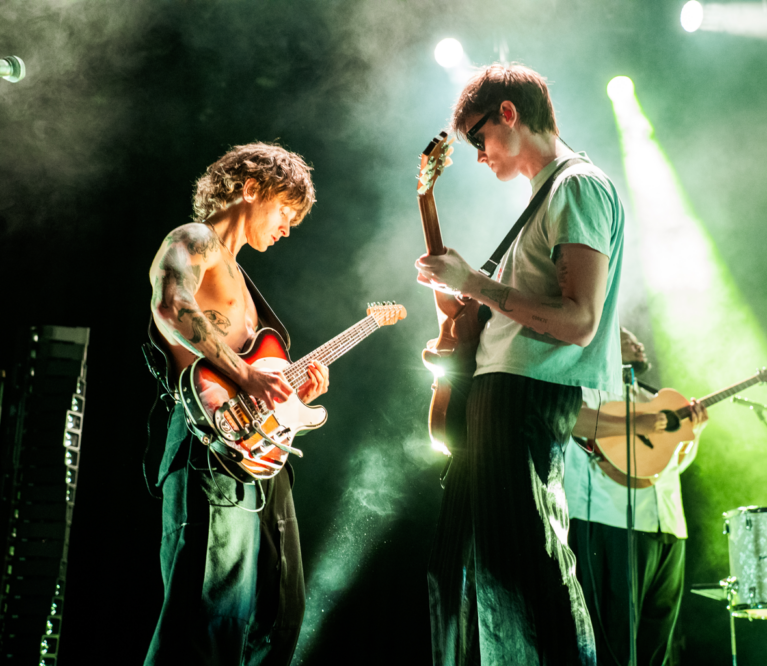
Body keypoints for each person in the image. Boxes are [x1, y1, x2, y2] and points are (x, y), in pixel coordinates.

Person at [415, 63, 625, 665]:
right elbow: (492, 314)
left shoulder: (576, 186)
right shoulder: (546, 195)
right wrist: (464, 298)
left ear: (508, 113)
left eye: (478, 138)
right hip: (501, 393)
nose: (479, 155)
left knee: (530, 574)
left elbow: (579, 319)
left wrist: (477, 285)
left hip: (527, 395)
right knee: (477, 580)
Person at [145, 142, 329, 665]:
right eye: (285, 211)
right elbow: (171, 304)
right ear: (251, 188)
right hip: (206, 453)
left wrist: (288, 396)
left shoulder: (246, 284)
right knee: (206, 618)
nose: (288, 227)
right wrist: (247, 374)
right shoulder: (194, 239)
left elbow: (247, 375)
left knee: (277, 613)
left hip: (255, 457)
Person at [565, 327, 708, 666]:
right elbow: (570, 419)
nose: (638, 343)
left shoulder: (653, 398)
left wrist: (692, 436)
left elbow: (670, 465)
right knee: (614, 644)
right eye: (627, 337)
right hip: (611, 520)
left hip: (669, 526)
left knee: (656, 646)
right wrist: (635, 426)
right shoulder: (589, 386)